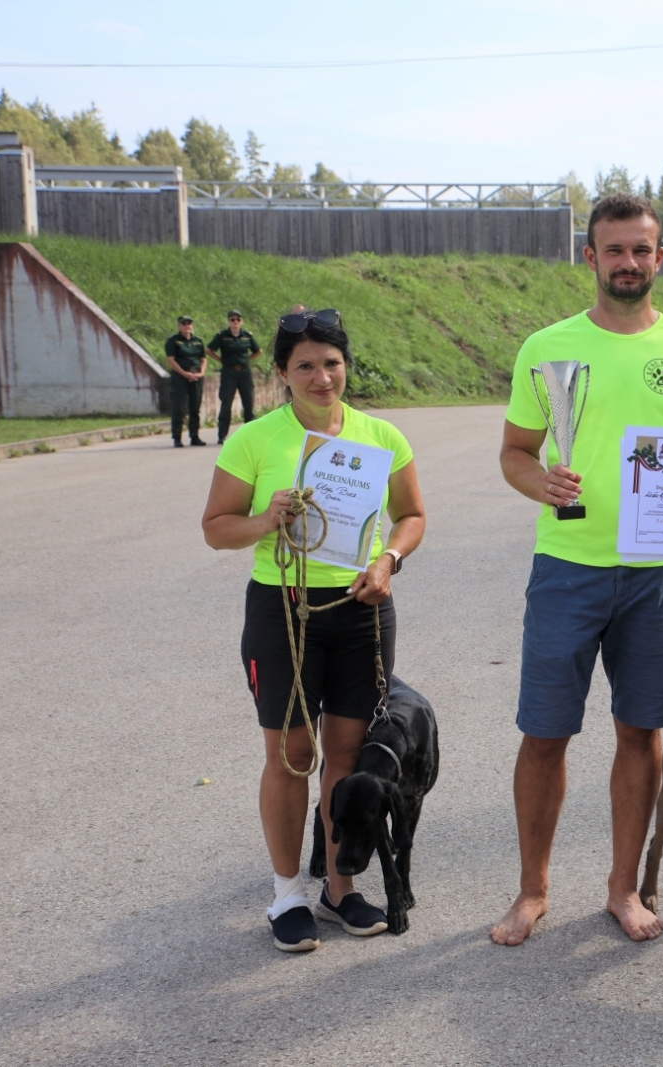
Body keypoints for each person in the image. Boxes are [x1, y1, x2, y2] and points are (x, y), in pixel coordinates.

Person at [492, 193, 663, 947]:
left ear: (658, 257)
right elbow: (515, 453)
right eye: (614, 250)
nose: (628, 262)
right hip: (567, 566)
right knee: (545, 734)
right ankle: (533, 890)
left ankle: (623, 888)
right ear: (590, 257)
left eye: (640, 250)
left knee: (641, 730)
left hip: (656, 573)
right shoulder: (547, 347)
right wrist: (541, 483)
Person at [201, 306, 426, 953]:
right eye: (305, 366)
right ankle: (286, 893)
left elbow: (412, 515)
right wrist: (263, 520)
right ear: (281, 372)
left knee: (347, 755)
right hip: (283, 610)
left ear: (345, 365)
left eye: (332, 363)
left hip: (361, 610)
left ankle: (338, 886)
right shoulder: (254, 440)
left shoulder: (382, 436)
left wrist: (389, 560)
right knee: (292, 754)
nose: (322, 377)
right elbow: (216, 526)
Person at [208, 310, 261, 443]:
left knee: (248, 403)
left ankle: (251, 435)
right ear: (228, 321)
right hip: (229, 372)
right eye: (232, 319)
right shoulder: (222, 336)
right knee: (226, 404)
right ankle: (222, 436)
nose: (235, 322)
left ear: (241, 321)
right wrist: (221, 360)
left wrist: (247, 360)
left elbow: (258, 351)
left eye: (238, 319)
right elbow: (209, 350)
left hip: (244, 372)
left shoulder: (247, 336)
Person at [165, 315, 207, 448]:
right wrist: (184, 374)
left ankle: (194, 436)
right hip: (180, 376)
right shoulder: (173, 341)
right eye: (184, 324)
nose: (187, 326)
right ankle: (177, 437)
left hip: (196, 375)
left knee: (195, 407)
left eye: (189, 323)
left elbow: (203, 359)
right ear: (179, 326)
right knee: (179, 407)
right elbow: (171, 359)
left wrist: (201, 373)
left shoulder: (198, 341)